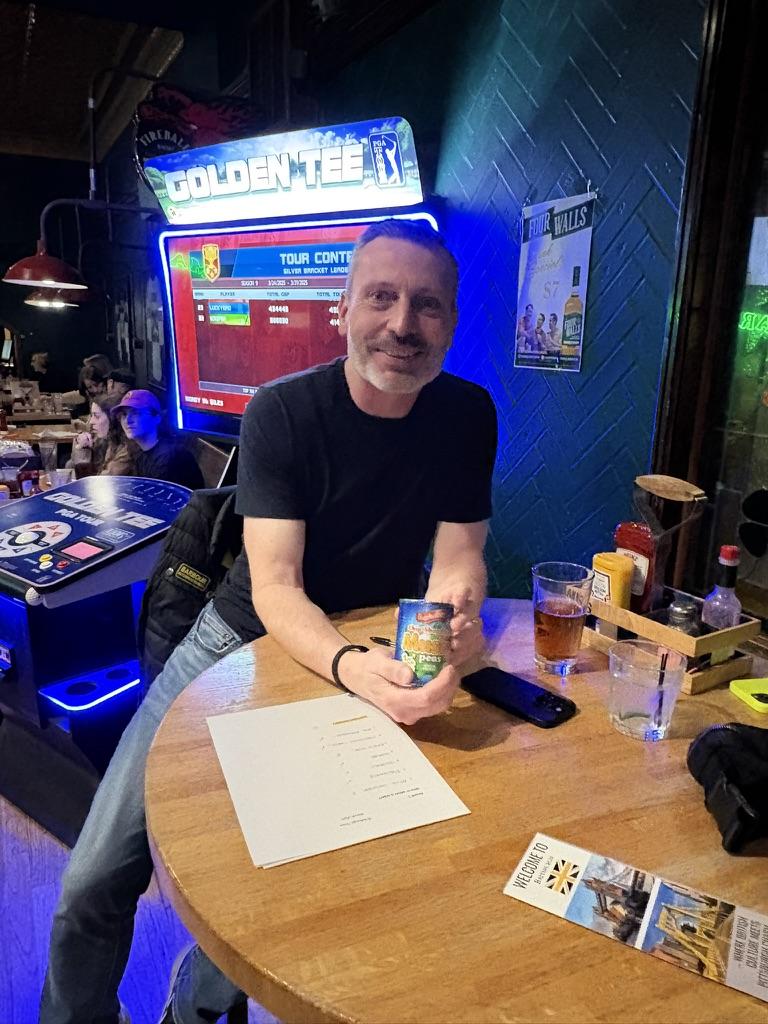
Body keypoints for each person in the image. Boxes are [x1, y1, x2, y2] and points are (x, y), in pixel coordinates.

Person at [40, 218, 497, 1024]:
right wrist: (352, 666)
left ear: (451, 323)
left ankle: (192, 1012)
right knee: (93, 880)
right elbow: (279, 588)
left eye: (427, 305)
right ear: (343, 309)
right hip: (236, 643)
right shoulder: (282, 409)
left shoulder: (469, 413)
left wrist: (458, 608)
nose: (402, 323)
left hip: (368, 638)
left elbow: (461, 555)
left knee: (269, 890)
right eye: (381, 297)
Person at [113, 389, 204, 490]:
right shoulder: (141, 452)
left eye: (135, 413)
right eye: (124, 414)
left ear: (157, 418)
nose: (127, 420)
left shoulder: (169, 458)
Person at [88, 394, 135, 476]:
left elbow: (102, 480)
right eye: (91, 416)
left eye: (97, 416)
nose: (91, 422)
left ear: (112, 419)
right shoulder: (111, 441)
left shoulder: (128, 450)